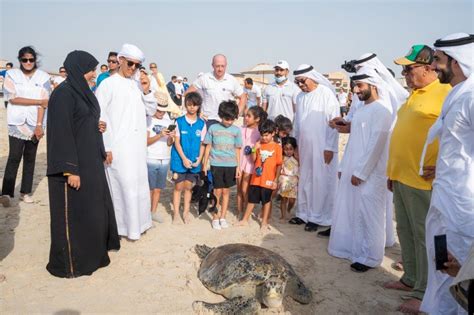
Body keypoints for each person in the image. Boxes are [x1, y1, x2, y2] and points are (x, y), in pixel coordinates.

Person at [383, 45, 452, 313]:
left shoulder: (445, 93)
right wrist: (392, 171)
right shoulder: (414, 95)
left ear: (428, 68)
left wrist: (442, 165)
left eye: (409, 69)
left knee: (425, 236)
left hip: (423, 180)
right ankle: (410, 278)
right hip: (402, 176)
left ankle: (424, 291)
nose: (405, 74)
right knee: (406, 231)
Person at [45, 50, 120, 278]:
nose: (94, 74)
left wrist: (98, 127)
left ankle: (93, 256)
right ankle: (70, 264)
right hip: (74, 166)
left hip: (90, 162)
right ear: (79, 69)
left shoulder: (84, 93)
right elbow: (61, 134)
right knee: (73, 216)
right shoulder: (63, 95)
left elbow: (86, 120)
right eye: (91, 69)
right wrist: (70, 170)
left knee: (92, 211)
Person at [419, 32, 474, 315]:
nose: (434, 67)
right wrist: (441, 167)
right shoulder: (457, 93)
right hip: (445, 195)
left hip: (464, 206)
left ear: (456, 60)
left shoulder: (473, 95)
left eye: (438, 60)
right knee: (441, 260)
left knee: (461, 269)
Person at [328, 67, 393, 273]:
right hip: (354, 169)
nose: (356, 90)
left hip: (371, 174)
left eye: (360, 86)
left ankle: (371, 257)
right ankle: (356, 251)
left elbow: (376, 144)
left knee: (370, 215)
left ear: (373, 85)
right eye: (354, 86)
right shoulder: (362, 109)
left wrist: (362, 172)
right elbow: (353, 142)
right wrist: (344, 166)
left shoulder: (382, 111)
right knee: (355, 211)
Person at [96, 43, 158, 240]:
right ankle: (123, 229)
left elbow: (151, 111)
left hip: (138, 148)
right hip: (118, 147)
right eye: (130, 63)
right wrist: (106, 147)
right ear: (120, 60)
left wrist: (147, 90)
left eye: (137, 66)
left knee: (139, 186)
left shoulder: (136, 84)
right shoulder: (107, 84)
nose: (133, 68)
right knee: (123, 187)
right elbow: (100, 118)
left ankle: (140, 225)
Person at [289, 64, 339, 232]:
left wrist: (330, 147)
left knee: (319, 181)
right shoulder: (300, 97)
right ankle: (303, 213)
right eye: (297, 82)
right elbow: (297, 122)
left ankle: (317, 217)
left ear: (312, 77)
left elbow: (335, 122)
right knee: (304, 179)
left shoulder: (326, 94)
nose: (301, 85)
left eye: (302, 81)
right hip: (304, 146)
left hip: (322, 147)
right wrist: (294, 144)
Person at [0, 46, 50, 207]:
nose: (28, 62)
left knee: (30, 158)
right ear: (20, 60)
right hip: (17, 123)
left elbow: (45, 102)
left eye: (31, 59)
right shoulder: (11, 75)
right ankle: (6, 193)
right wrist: (37, 101)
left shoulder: (43, 77)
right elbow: (12, 98)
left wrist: (39, 125)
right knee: (14, 157)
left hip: (36, 122)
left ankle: (25, 192)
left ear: (35, 60)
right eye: (24, 59)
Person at [236, 119, 282, 231]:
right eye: (262, 135)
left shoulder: (277, 147)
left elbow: (279, 165)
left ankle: (265, 221)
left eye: (267, 135)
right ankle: (245, 219)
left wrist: (276, 180)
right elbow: (254, 160)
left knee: (266, 201)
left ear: (273, 133)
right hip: (256, 178)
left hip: (269, 179)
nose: (264, 138)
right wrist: (254, 149)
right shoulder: (258, 145)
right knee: (252, 200)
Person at [203, 100, 242, 230]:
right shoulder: (213, 128)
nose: (229, 122)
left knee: (226, 191)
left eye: (232, 119)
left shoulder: (236, 130)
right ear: (220, 116)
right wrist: (204, 164)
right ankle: (215, 216)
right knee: (216, 192)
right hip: (216, 165)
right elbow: (208, 146)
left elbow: (238, 149)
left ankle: (223, 217)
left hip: (231, 165)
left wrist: (238, 167)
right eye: (227, 119)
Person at [170, 92, 206, 224]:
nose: (192, 107)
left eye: (195, 105)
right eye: (189, 105)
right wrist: (184, 159)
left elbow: (203, 144)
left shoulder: (202, 124)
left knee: (188, 188)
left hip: (194, 162)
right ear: (185, 105)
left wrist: (199, 160)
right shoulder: (179, 121)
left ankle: (185, 213)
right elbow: (176, 142)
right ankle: (176, 215)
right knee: (178, 187)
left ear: (199, 106)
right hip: (179, 161)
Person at [185, 54, 247, 127]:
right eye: (217, 66)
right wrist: (197, 112)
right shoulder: (204, 78)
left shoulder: (232, 80)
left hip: (225, 121)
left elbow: (243, 97)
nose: (220, 69)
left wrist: (235, 115)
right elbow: (187, 94)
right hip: (207, 120)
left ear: (226, 65)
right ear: (212, 65)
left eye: (222, 66)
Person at [147, 90, 175, 223]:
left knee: (158, 188)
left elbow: (169, 143)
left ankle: (153, 212)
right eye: (159, 110)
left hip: (164, 158)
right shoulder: (148, 119)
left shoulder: (168, 119)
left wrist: (171, 138)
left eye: (163, 110)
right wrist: (160, 135)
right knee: (149, 189)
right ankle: (145, 213)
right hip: (150, 157)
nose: (161, 113)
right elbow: (145, 142)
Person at [237, 106, 267, 215]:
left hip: (250, 162)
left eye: (249, 116)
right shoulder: (240, 129)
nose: (245, 118)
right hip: (240, 160)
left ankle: (246, 211)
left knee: (246, 189)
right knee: (239, 188)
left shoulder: (260, 132)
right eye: (245, 115)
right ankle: (239, 211)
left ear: (257, 119)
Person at [278, 136, 299, 222]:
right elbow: (279, 168)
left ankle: (289, 210)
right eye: (286, 149)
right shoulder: (282, 158)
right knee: (284, 199)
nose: (288, 151)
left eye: (290, 149)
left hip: (294, 181)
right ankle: (283, 216)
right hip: (284, 180)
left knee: (292, 200)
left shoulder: (297, 159)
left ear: (294, 149)